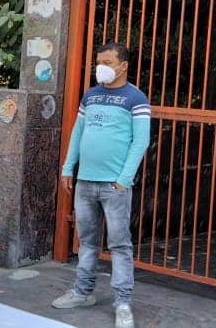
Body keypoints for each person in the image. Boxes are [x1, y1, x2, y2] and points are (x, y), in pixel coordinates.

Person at [51, 43, 151, 328]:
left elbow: (141, 141)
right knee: (87, 242)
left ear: (123, 66)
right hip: (85, 182)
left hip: (115, 185)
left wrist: (124, 179)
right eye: (98, 61)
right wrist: (68, 168)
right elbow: (78, 132)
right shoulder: (91, 96)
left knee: (119, 245)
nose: (101, 66)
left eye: (107, 61)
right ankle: (83, 292)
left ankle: (122, 302)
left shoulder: (136, 98)